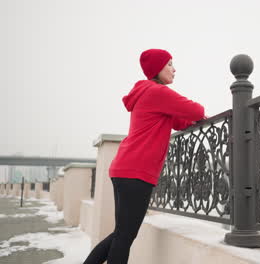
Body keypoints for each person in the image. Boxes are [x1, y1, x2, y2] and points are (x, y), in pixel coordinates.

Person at [83, 49, 205, 264]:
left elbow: (175, 121)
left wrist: (189, 121)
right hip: (136, 173)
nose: (174, 69)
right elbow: (195, 110)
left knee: (121, 233)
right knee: (125, 236)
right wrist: (199, 117)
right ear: (157, 69)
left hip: (124, 169)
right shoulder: (158, 92)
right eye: (169, 64)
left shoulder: (147, 93)